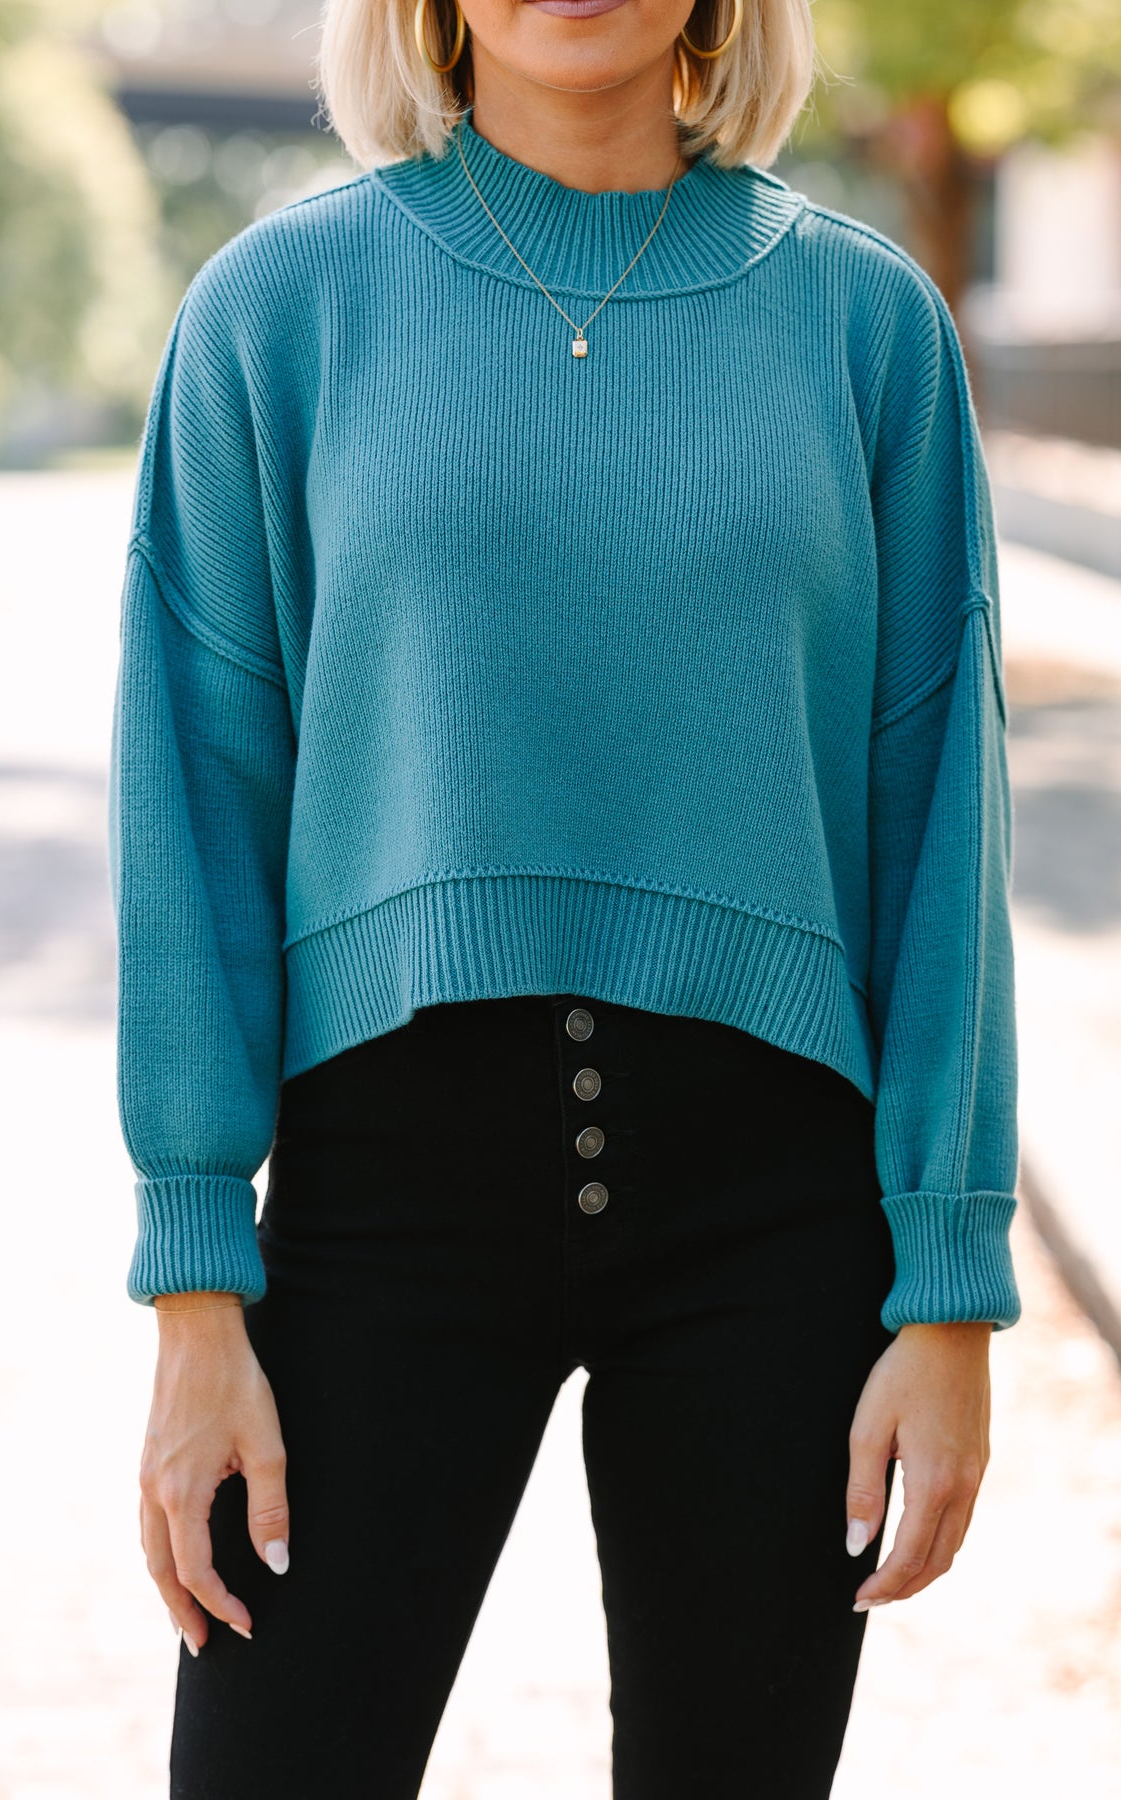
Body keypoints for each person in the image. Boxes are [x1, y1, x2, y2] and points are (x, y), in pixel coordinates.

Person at [107, 0, 1022, 1792]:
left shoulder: (867, 328)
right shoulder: (273, 313)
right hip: (387, 1194)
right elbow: (197, 800)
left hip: (776, 1217)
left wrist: (950, 1285)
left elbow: (941, 818)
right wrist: (196, 1285)